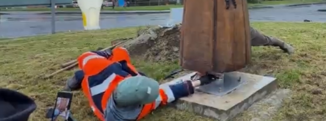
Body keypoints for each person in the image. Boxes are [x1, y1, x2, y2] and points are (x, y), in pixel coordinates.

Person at [63, 47, 218, 121]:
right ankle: (79, 77)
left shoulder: (97, 67)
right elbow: (170, 92)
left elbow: (84, 56)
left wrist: (102, 54)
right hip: (117, 72)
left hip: (103, 73)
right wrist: (200, 81)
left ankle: (78, 78)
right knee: (121, 51)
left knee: (88, 72)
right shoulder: (143, 108)